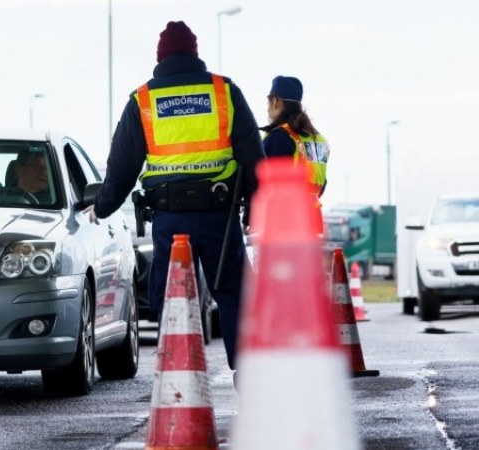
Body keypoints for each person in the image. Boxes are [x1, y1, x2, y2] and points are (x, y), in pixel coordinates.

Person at [84, 20, 265, 371]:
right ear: (195, 54)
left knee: (170, 297)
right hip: (220, 215)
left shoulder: (144, 99)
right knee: (235, 296)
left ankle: (177, 379)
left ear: (160, 57)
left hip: (170, 218)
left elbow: (122, 166)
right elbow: (254, 159)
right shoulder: (224, 92)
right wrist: (253, 213)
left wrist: (103, 207)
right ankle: (250, 375)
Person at [261, 76, 330, 230]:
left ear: (276, 102)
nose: (267, 108)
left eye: (268, 102)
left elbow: (261, 180)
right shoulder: (318, 139)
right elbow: (322, 183)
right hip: (312, 219)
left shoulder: (280, 137)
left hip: (284, 220)